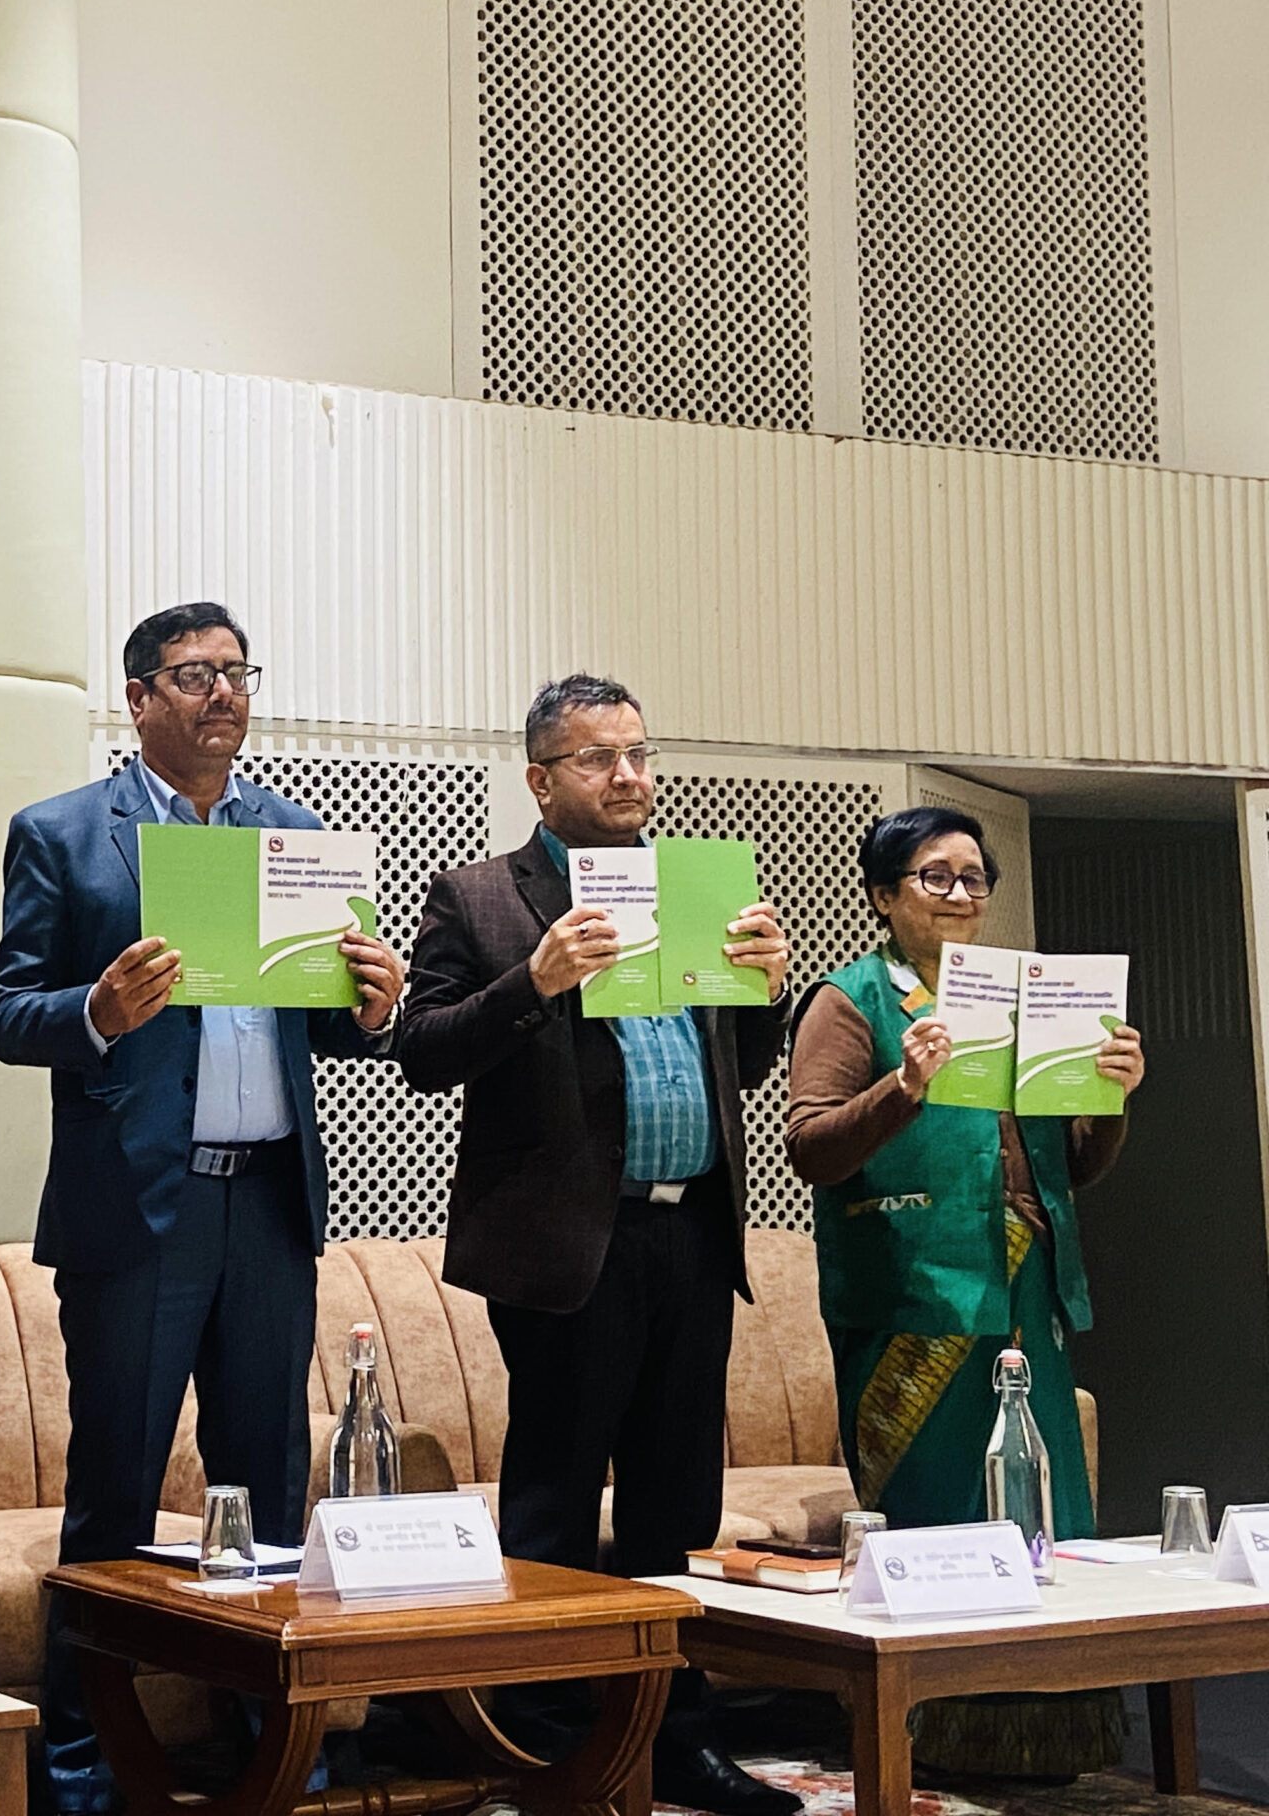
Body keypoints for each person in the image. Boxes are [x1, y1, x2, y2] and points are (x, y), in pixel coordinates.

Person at [0, 602, 408, 1813]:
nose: (223, 693)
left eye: (236, 672)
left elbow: (328, 1025)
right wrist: (96, 1011)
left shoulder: (296, 836)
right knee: (115, 1495)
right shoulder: (66, 835)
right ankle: (84, 1765)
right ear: (137, 698)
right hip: (137, 1213)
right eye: (193, 675)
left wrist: (375, 1003)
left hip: (267, 1202)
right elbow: (9, 1013)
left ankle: (276, 1749)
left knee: (267, 1488)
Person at [392, 673, 798, 1816]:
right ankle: (551, 1744)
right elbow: (420, 1050)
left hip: (691, 1231)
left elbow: (740, 1068)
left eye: (637, 754)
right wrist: (535, 980)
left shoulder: (694, 889)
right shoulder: (480, 897)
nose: (627, 776)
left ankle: (675, 1739)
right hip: (569, 1242)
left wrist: (764, 990)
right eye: (596, 759)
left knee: (678, 1503)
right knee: (558, 1498)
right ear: (540, 780)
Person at [786, 806, 1142, 1778]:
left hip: (1025, 1283)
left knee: (1042, 1514)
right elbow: (811, 1147)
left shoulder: (1026, 998)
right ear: (882, 895)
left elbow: (1073, 1162)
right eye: (933, 876)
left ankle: (1046, 1737)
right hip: (910, 1295)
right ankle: (925, 1738)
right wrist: (903, 1086)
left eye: (973, 877)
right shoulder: (850, 1000)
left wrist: (1110, 1096)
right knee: (939, 1507)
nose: (958, 894)